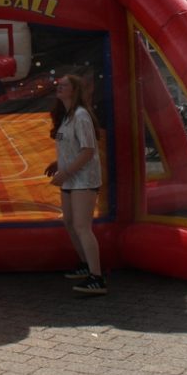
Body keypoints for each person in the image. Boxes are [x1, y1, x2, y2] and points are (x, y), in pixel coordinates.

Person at [44, 74, 106, 295]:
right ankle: (85, 265)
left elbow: (88, 151)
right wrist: (57, 164)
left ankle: (97, 278)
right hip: (70, 178)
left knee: (81, 226)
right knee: (70, 223)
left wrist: (66, 171)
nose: (59, 87)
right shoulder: (67, 116)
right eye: (58, 85)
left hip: (83, 179)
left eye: (64, 85)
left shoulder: (81, 116)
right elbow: (73, 148)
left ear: (75, 90)